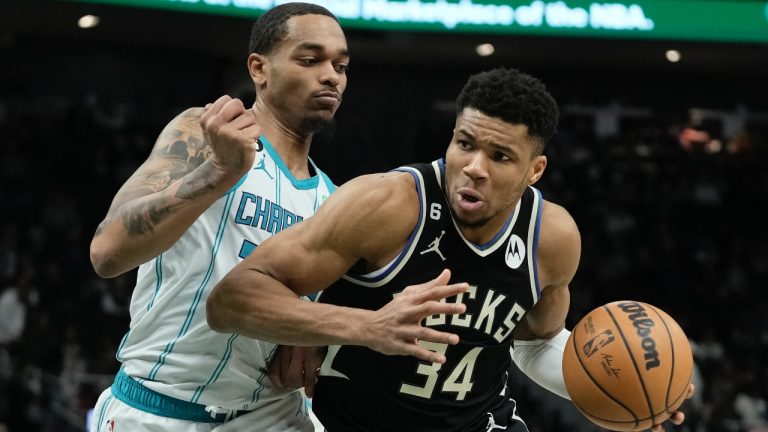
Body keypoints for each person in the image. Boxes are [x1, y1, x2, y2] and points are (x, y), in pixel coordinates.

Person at [208, 67, 694, 431]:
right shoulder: (386, 204)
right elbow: (230, 299)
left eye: (501, 156)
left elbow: (536, 343)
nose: (474, 167)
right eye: (465, 144)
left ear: (535, 170)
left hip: (480, 422)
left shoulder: (553, 237)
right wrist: (363, 326)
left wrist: (627, 391)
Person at [87, 3, 464, 431]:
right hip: (157, 407)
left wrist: (315, 338)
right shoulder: (203, 133)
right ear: (258, 68)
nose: (331, 76)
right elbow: (108, 252)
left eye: (341, 65)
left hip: (272, 414)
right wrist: (217, 173)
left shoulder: (335, 201)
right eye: (310, 60)